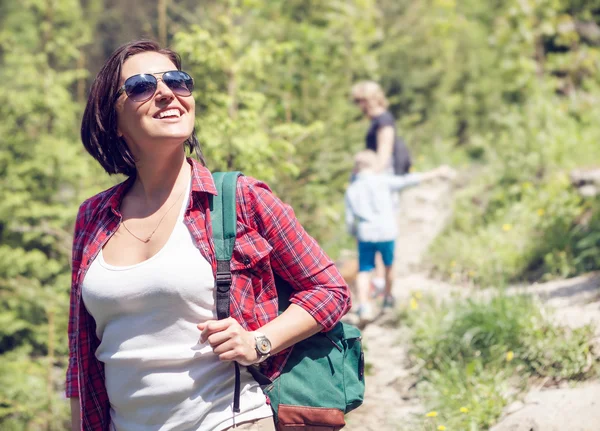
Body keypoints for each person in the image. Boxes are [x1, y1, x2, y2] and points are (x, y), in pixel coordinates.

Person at [67, 39, 351, 431]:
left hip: (229, 421)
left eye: (178, 81)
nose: (167, 93)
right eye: (141, 86)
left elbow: (330, 291)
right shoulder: (93, 217)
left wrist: (259, 342)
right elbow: (79, 358)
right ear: (112, 119)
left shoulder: (240, 200)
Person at [345, 150, 451, 322]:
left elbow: (350, 220)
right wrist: (436, 172)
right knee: (388, 266)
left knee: (364, 270)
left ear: (357, 168)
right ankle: (387, 299)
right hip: (387, 231)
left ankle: (364, 306)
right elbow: (408, 180)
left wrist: (354, 233)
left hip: (366, 233)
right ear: (374, 165)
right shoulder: (383, 180)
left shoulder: (353, 188)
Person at [351, 81, 412, 293]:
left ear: (370, 99)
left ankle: (382, 282)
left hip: (384, 176)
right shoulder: (379, 120)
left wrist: (369, 179)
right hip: (380, 176)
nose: (359, 106)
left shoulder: (384, 120)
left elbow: (385, 151)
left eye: (361, 101)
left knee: (381, 226)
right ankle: (380, 280)